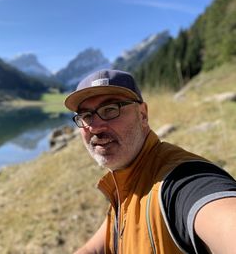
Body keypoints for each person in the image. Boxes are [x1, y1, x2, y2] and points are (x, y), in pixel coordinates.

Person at [64, 69, 236, 254]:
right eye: (87, 116)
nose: (95, 127)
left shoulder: (180, 181)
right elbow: (98, 245)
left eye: (110, 109)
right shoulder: (126, 182)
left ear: (143, 115)